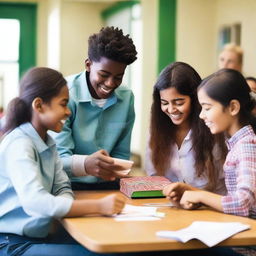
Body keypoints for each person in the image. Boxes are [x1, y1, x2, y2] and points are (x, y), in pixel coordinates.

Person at [0, 67, 127, 256]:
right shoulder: (19, 144)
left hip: (38, 238)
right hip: (12, 244)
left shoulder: (48, 143)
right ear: (39, 105)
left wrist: (61, 206)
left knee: (115, 246)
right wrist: (99, 206)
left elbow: (63, 187)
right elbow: (35, 202)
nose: (68, 112)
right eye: (64, 104)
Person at [51, 26, 138, 190]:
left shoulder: (126, 97)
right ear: (88, 65)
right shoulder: (65, 95)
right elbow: (57, 160)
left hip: (110, 184)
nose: (110, 83)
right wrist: (86, 164)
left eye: (118, 77)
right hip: (66, 185)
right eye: (104, 75)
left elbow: (121, 155)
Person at [163, 68, 256, 218]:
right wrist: (191, 191)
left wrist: (201, 197)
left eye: (207, 108)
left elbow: (242, 203)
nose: (201, 115)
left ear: (233, 107)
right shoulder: (237, 143)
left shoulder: (247, 145)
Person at [145, 62, 227, 196]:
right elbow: (154, 177)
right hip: (172, 208)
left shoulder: (214, 128)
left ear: (196, 99)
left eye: (179, 102)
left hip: (213, 209)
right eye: (165, 103)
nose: (171, 110)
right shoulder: (156, 131)